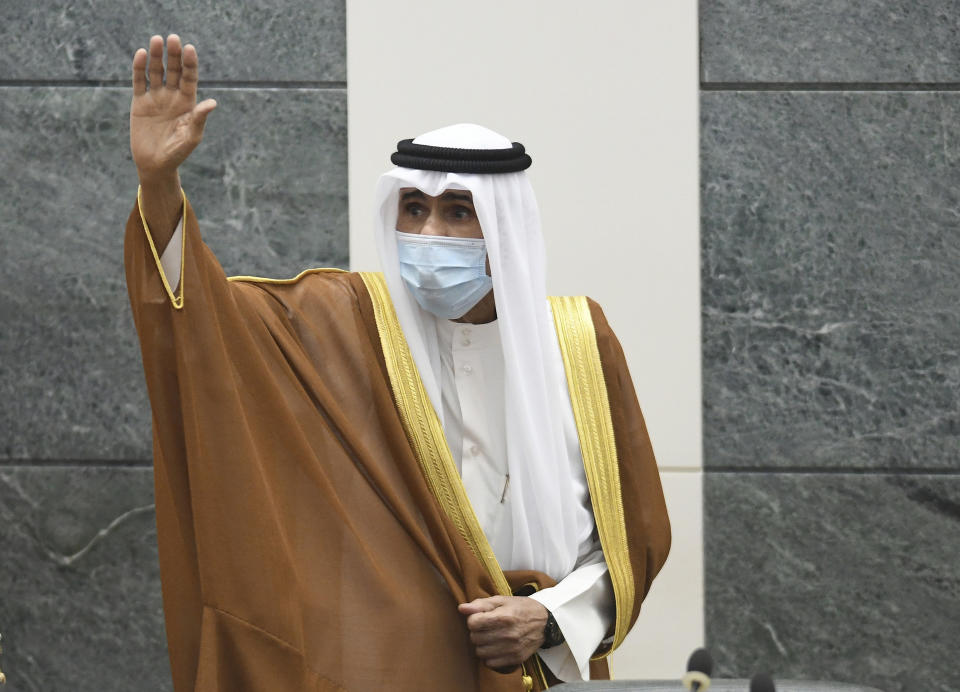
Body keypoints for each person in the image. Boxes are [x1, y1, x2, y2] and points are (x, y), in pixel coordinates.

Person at [126, 34, 671, 692]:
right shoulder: (344, 320)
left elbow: (630, 536)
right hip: (393, 669)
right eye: (414, 209)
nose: (428, 235)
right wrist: (160, 187)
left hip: (537, 673)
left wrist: (551, 618)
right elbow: (208, 330)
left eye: (457, 213)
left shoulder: (580, 342)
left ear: (506, 226)